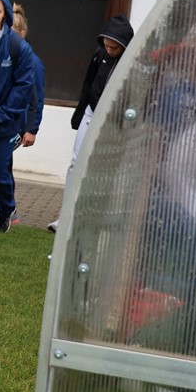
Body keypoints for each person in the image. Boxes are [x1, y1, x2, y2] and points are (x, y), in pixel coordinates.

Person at [48, 13, 134, 233]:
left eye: (114, 48)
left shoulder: (133, 63)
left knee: (103, 168)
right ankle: (66, 216)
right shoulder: (99, 54)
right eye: (106, 45)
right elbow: (88, 84)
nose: (109, 50)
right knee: (75, 163)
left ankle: (94, 217)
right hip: (91, 112)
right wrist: (79, 115)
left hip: (114, 120)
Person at [0, 2, 44, 231]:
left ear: (21, 33)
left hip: (9, 124)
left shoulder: (28, 58)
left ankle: (3, 209)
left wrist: (32, 128)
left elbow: (33, 96)